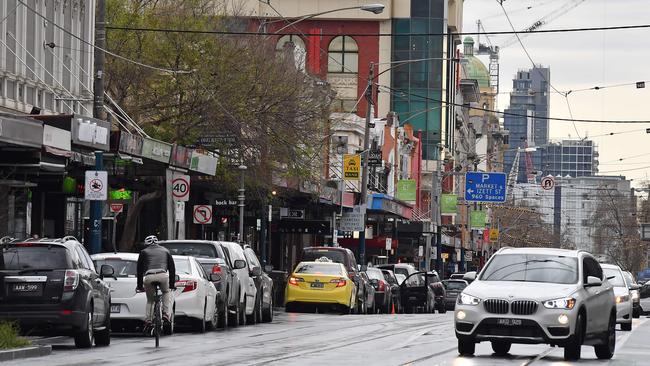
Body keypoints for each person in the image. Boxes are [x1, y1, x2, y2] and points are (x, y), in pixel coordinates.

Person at [136, 235, 176, 334]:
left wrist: (140, 286)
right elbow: (172, 269)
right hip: (163, 275)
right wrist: (171, 284)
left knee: (150, 300)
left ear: (146, 244)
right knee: (166, 292)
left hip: (149, 277)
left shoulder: (143, 252)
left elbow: (139, 270)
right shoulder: (166, 251)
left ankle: (148, 320)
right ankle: (166, 314)